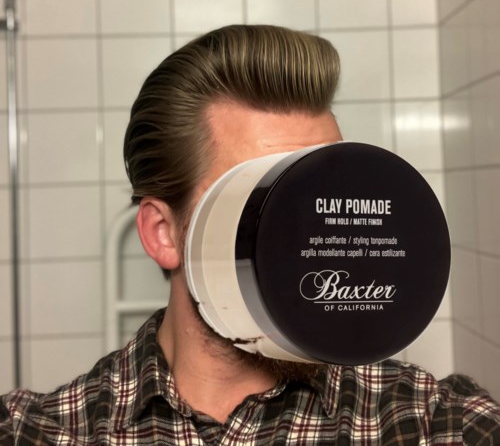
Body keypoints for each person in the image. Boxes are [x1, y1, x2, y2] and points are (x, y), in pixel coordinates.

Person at [1, 25, 499, 444]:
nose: (313, 241)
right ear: (163, 233)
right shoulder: (40, 431)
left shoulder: (431, 422)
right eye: (261, 200)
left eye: (320, 193)